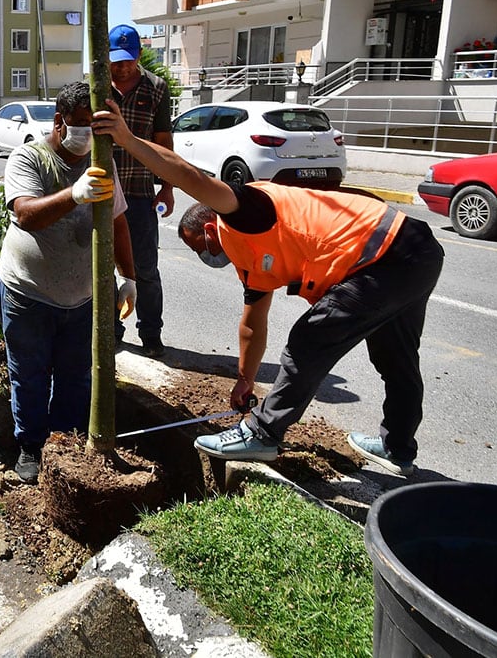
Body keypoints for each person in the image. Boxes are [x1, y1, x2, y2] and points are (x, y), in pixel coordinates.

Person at [93, 99, 444, 477]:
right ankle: (398, 448)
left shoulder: (242, 208)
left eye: (202, 247)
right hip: (414, 251)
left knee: (309, 339)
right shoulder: (251, 262)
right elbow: (252, 323)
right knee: (397, 359)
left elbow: (188, 176)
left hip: (383, 254)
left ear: (210, 228)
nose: (207, 257)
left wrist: (127, 139)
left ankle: (262, 433)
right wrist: (245, 379)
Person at [0, 82, 137, 483]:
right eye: (79, 125)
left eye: (94, 128)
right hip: (29, 292)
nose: (86, 136)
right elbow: (25, 214)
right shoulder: (30, 158)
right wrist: (74, 194)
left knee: (77, 374)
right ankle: (30, 446)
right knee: (30, 373)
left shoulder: (101, 161)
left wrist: (127, 276)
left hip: (83, 297)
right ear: (59, 122)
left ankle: (64, 442)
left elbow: (119, 220)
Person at [108, 24, 175, 357]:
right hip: (102, 193)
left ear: (138, 56)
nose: (122, 68)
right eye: (116, 61)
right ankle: (112, 331)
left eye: (129, 61)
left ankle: (151, 334)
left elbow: (164, 143)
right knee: (103, 267)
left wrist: (168, 188)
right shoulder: (97, 88)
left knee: (145, 268)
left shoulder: (157, 89)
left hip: (139, 192)